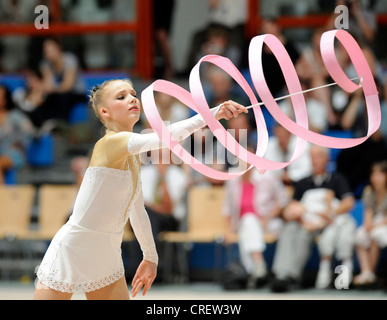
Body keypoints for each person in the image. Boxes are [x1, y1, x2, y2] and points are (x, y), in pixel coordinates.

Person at [33, 78, 248, 300]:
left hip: (107, 252)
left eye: (133, 93)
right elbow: (165, 137)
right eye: (121, 96)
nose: (132, 98)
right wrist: (211, 114)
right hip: (74, 248)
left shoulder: (133, 158)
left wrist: (150, 257)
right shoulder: (110, 143)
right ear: (105, 112)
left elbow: (137, 211)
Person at [270, 145, 355, 292]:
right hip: (306, 222)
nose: (314, 161)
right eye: (312, 157)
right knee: (289, 229)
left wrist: (330, 215)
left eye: (318, 157)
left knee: (304, 234)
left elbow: (348, 202)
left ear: (327, 159)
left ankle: (292, 276)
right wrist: (301, 218)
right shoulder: (303, 182)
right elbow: (292, 208)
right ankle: (282, 274)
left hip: (328, 223)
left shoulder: (337, 180)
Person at [223, 144, 288, 286]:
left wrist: (268, 217)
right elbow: (227, 208)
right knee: (248, 221)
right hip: (242, 224)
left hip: (268, 222)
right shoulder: (232, 179)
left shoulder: (268, 175)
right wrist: (228, 231)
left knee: (248, 225)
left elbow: (282, 201)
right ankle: (258, 267)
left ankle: (252, 272)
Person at [353, 161, 387, 287]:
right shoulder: (369, 191)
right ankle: (366, 272)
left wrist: (374, 226)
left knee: (375, 235)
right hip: (375, 223)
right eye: (374, 174)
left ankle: (371, 273)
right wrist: (368, 225)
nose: (376, 178)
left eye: (380, 174)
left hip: (383, 225)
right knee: (360, 235)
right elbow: (368, 213)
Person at [0, 85, 34, 184]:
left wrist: (18, 142)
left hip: (12, 154)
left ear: (6, 99)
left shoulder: (14, 115)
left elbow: (29, 131)